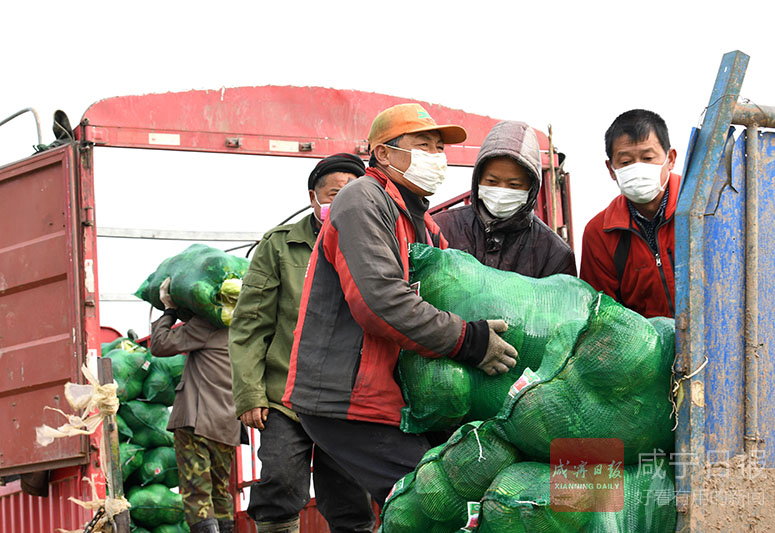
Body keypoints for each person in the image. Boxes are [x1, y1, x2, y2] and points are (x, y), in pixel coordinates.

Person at [281, 103, 519, 507]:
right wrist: (470, 341)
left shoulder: (422, 222)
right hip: (348, 398)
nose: (436, 157)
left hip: (387, 396)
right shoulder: (362, 200)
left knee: (412, 503)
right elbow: (381, 300)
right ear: (384, 153)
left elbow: (456, 291)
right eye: (423, 145)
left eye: (439, 148)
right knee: (430, 501)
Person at [228, 153, 376, 533]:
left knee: (350, 498)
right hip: (285, 395)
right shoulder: (280, 246)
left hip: (347, 397)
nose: (341, 201)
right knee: (279, 481)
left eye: (351, 193)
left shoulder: (374, 244)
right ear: (314, 198)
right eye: (333, 193)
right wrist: (250, 395)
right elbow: (249, 324)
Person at [150, 278, 239, 533]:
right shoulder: (246, 327)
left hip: (197, 420)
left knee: (196, 490)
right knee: (220, 491)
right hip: (228, 424)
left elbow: (160, 344)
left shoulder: (207, 324)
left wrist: (169, 310)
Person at [433, 120, 576, 277]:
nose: (501, 191)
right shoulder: (441, 228)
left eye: (514, 185)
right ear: (478, 180)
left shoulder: (554, 252)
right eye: (492, 182)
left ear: (531, 188)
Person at [580, 109, 679, 318]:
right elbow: (603, 316)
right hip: (650, 348)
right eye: (626, 162)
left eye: (648, 157)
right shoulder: (599, 233)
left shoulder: (707, 208)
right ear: (611, 169)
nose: (638, 168)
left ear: (670, 159)